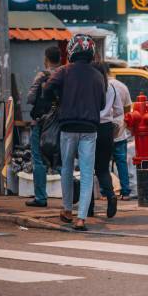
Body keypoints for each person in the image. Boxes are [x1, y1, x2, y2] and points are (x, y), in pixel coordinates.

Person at [43, 34, 106, 231]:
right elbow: (103, 103)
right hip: (89, 129)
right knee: (87, 173)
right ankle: (81, 219)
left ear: (71, 51)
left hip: (68, 127)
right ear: (91, 53)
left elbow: (47, 89)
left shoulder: (63, 71)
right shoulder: (97, 75)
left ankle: (67, 210)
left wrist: (59, 98)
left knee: (67, 169)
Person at [26, 46, 62, 208]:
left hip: (40, 123)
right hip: (59, 123)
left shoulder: (42, 75)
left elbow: (31, 98)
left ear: (46, 58)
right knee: (61, 160)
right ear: (60, 59)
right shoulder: (64, 74)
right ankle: (72, 192)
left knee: (38, 159)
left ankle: (41, 198)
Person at [88, 62, 122, 218]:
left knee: (87, 169)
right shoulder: (112, 88)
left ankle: (88, 207)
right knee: (103, 169)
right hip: (107, 129)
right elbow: (119, 110)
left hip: (91, 128)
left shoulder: (90, 87)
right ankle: (111, 196)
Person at [110, 77, 133, 200]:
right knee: (121, 163)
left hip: (104, 130)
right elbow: (128, 110)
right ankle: (125, 192)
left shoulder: (100, 84)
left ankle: (106, 192)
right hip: (120, 130)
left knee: (102, 164)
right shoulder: (122, 86)